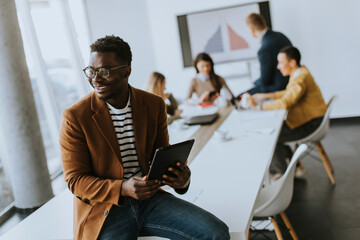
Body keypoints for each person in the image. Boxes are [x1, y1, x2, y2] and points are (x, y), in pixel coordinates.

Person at [60, 35, 230, 240]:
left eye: (104, 71)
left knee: (216, 233)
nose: (95, 79)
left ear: (126, 71)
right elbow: (75, 181)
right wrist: (122, 188)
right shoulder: (75, 116)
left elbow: (161, 160)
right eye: (91, 71)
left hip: (150, 201)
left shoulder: (153, 104)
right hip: (106, 209)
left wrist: (181, 181)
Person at [245, 46, 327, 176]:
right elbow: (289, 93)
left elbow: (286, 102)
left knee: (271, 136)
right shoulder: (300, 73)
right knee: (274, 131)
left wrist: (258, 107)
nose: (278, 66)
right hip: (311, 119)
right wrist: (266, 96)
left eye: (281, 62)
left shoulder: (300, 78)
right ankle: (296, 166)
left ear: (292, 62)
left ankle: (280, 175)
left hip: (312, 124)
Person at [240, 13, 292, 96]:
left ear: (251, 29)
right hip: (291, 82)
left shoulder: (264, 49)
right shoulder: (281, 36)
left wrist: (255, 83)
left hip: (278, 87)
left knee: (243, 95)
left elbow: (265, 80)